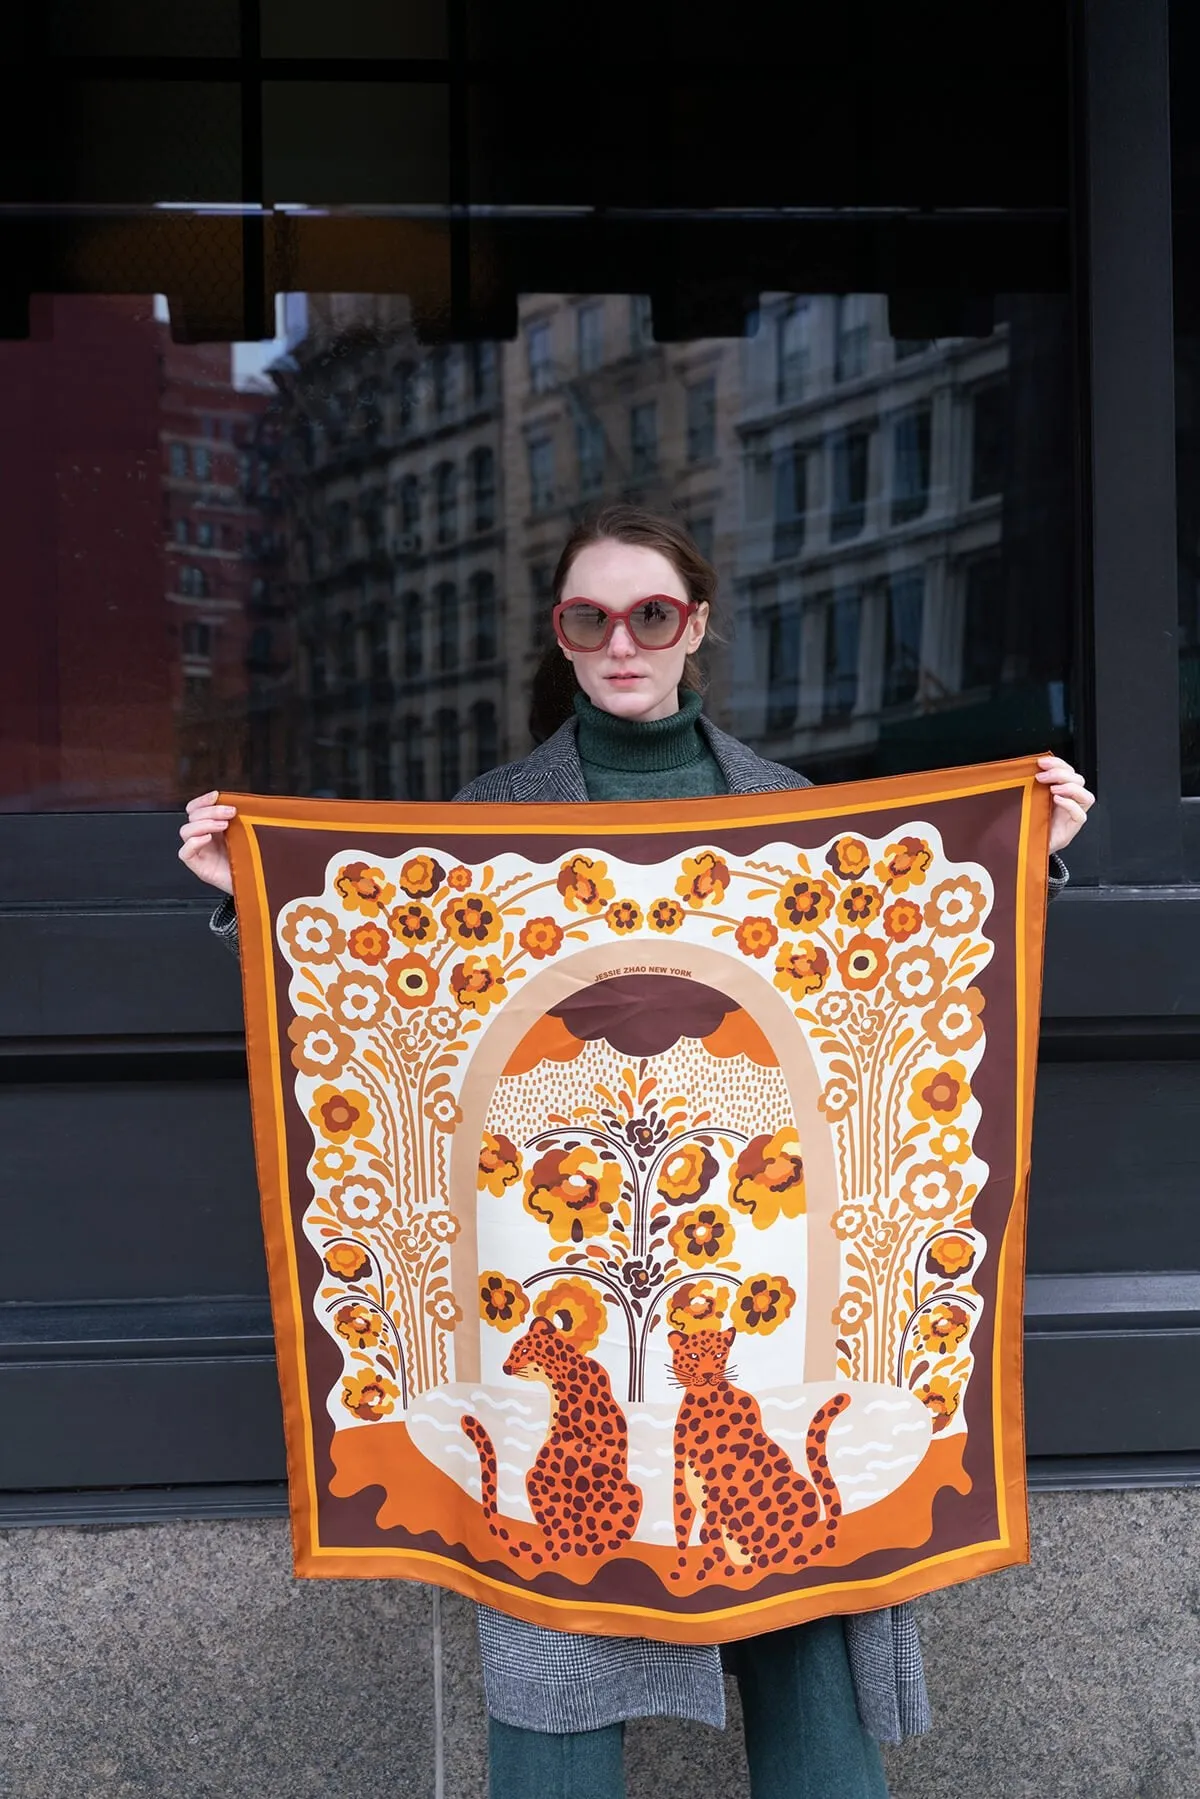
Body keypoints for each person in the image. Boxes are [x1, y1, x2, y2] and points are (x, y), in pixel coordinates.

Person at [181, 504, 1094, 1799]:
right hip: (550, 1288)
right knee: (556, 1645)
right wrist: (247, 890)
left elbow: (897, 982)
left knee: (808, 1633)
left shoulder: (782, 808)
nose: (623, 641)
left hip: (776, 1307)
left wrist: (1028, 860)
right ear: (560, 635)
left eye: (651, 613)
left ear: (696, 626)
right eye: (589, 617)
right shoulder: (494, 817)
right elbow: (392, 988)